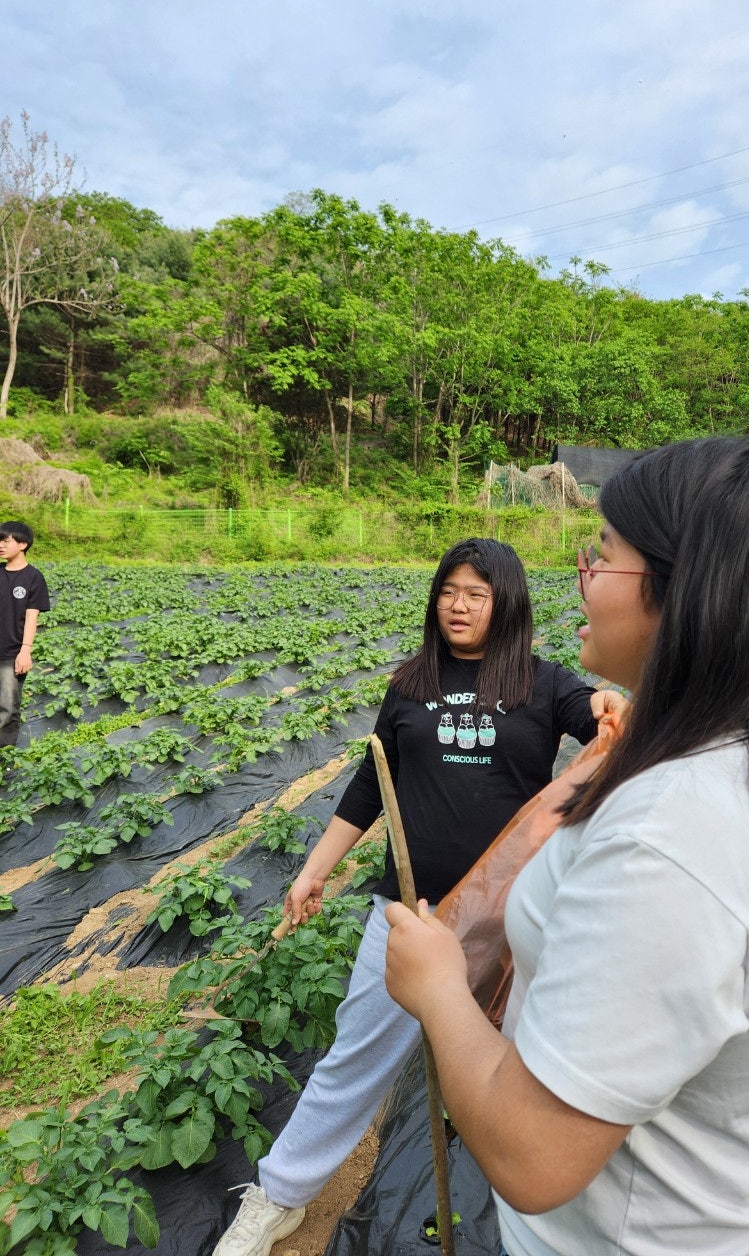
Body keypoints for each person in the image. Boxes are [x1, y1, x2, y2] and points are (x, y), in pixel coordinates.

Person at [385, 438, 749, 1256]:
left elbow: (533, 1154)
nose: (581, 573)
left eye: (603, 553)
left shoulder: (674, 837)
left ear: (685, 588)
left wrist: (438, 988)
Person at [213, 537, 624, 1256]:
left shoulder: (544, 683)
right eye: (448, 591)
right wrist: (315, 869)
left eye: (476, 594)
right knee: (355, 1057)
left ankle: (556, 1227)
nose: (458, 606)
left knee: (538, 1068)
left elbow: (606, 727)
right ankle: (279, 1196)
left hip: (512, 921)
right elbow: (374, 783)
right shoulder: (410, 686)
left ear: (507, 604)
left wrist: (608, 703)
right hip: (411, 910)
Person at [0, 521, 50, 753]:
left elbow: (32, 617)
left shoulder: (33, 578)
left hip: (11, 652)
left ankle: (4, 753)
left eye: (5, 541)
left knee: (8, 706)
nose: (1, 545)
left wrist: (25, 650)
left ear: (23, 544)